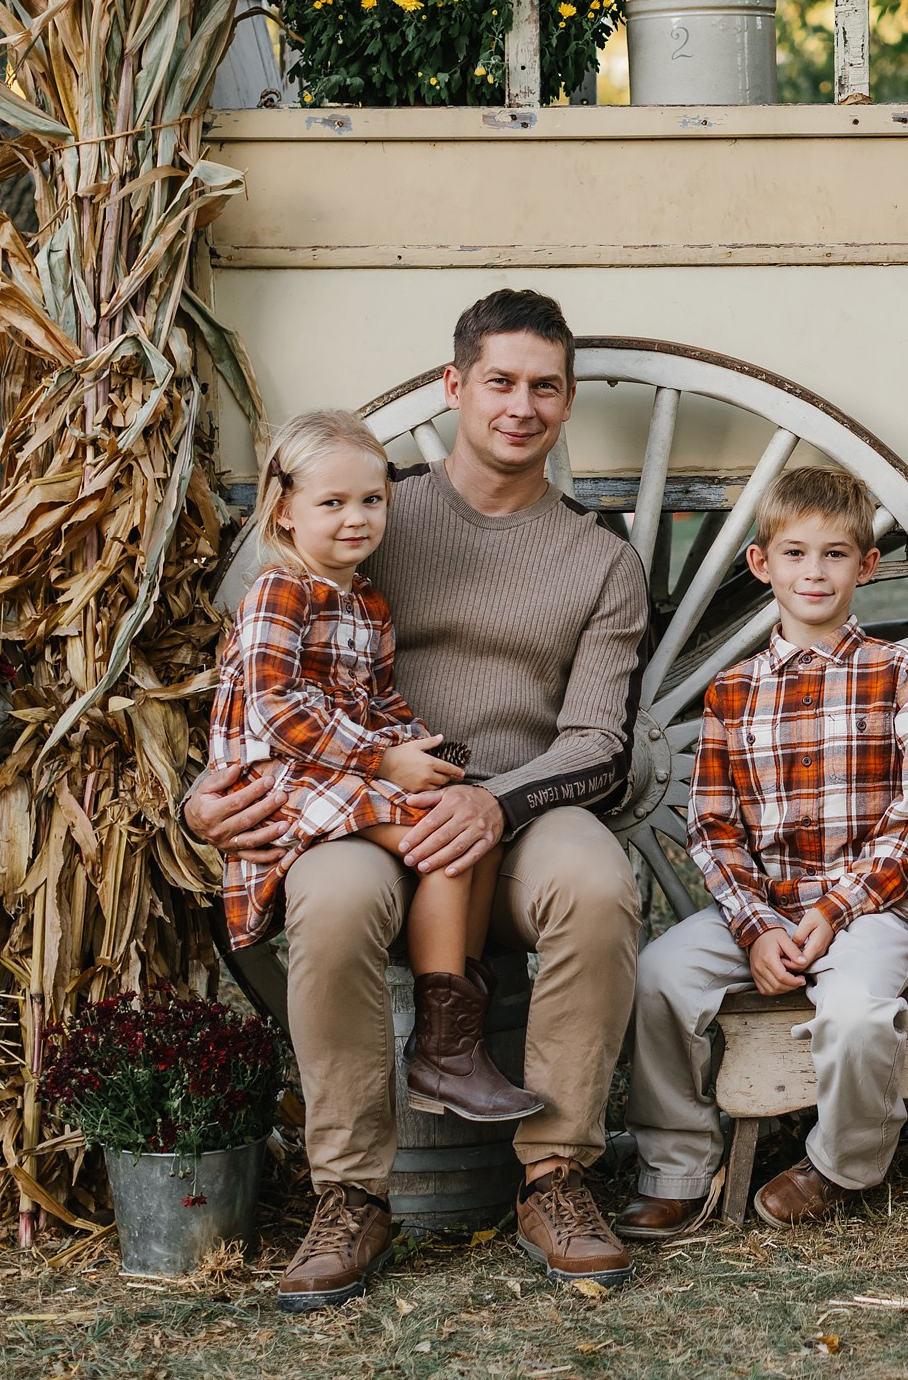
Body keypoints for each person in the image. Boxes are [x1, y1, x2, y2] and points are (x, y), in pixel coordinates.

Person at [183, 289, 650, 1312]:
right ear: (453, 387)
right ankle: (349, 1194)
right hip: (354, 799)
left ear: (568, 402)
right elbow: (262, 673)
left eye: (543, 387)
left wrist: (496, 806)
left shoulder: (601, 559)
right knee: (339, 899)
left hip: (518, 810)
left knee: (597, 881)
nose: (519, 406)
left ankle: (555, 1176)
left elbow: (596, 746)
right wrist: (200, 800)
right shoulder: (374, 512)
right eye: (498, 382)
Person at [616, 466, 908, 1234]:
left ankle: (841, 1160)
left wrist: (837, 909)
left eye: (835, 554)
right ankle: (677, 1164)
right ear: (761, 563)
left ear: (866, 566)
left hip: (868, 910)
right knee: (659, 975)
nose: (814, 572)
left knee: (861, 1015)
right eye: (795, 553)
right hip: (764, 907)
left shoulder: (899, 673)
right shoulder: (732, 692)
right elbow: (713, 827)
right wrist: (754, 927)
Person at [210, 408, 540, 1126]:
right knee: (444, 841)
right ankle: (444, 1050)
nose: (356, 518)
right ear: (285, 510)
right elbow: (273, 710)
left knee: (470, 825)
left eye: (371, 499)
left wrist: (423, 749)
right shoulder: (280, 591)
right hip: (285, 781)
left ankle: (452, 1031)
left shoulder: (364, 600)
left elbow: (379, 698)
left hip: (340, 773)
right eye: (331, 502)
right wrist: (384, 759)